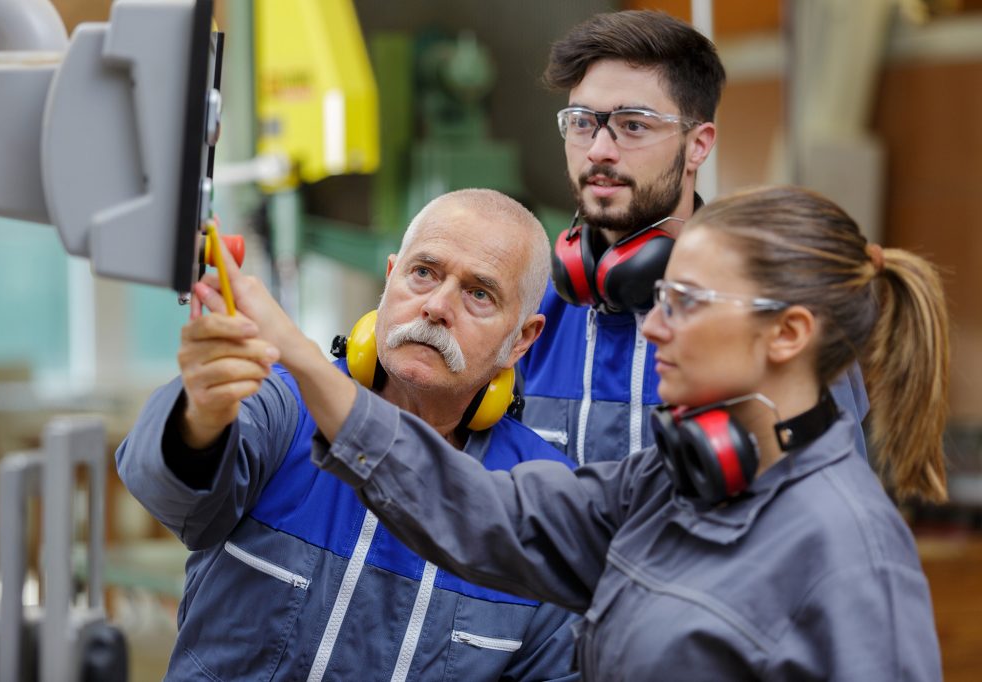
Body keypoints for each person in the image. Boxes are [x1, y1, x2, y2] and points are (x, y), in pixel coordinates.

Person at [249, 186, 947, 679]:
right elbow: (484, 511)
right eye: (662, 299)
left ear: (788, 333)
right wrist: (304, 363)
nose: (654, 327)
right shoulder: (668, 485)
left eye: (687, 303)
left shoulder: (853, 557)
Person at [115, 189, 580, 680]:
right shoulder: (282, 405)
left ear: (522, 339)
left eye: (479, 294)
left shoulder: (541, 505)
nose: (437, 306)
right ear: (390, 278)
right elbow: (165, 491)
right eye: (424, 273)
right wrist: (202, 418)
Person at [517, 10, 871, 463]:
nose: (599, 151)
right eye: (583, 122)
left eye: (634, 125)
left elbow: (823, 494)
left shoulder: (773, 320)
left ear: (698, 145)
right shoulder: (532, 314)